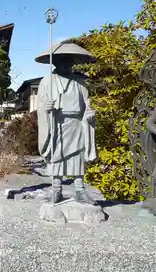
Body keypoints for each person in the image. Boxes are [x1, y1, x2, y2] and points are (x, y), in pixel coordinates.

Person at [37, 54, 97, 204]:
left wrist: (89, 114)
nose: (66, 64)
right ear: (55, 62)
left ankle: (80, 190)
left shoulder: (79, 82)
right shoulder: (47, 82)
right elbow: (41, 103)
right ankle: (57, 189)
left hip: (77, 123)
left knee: (77, 155)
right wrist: (46, 108)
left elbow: (87, 104)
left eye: (69, 62)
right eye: (63, 61)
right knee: (57, 155)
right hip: (57, 123)